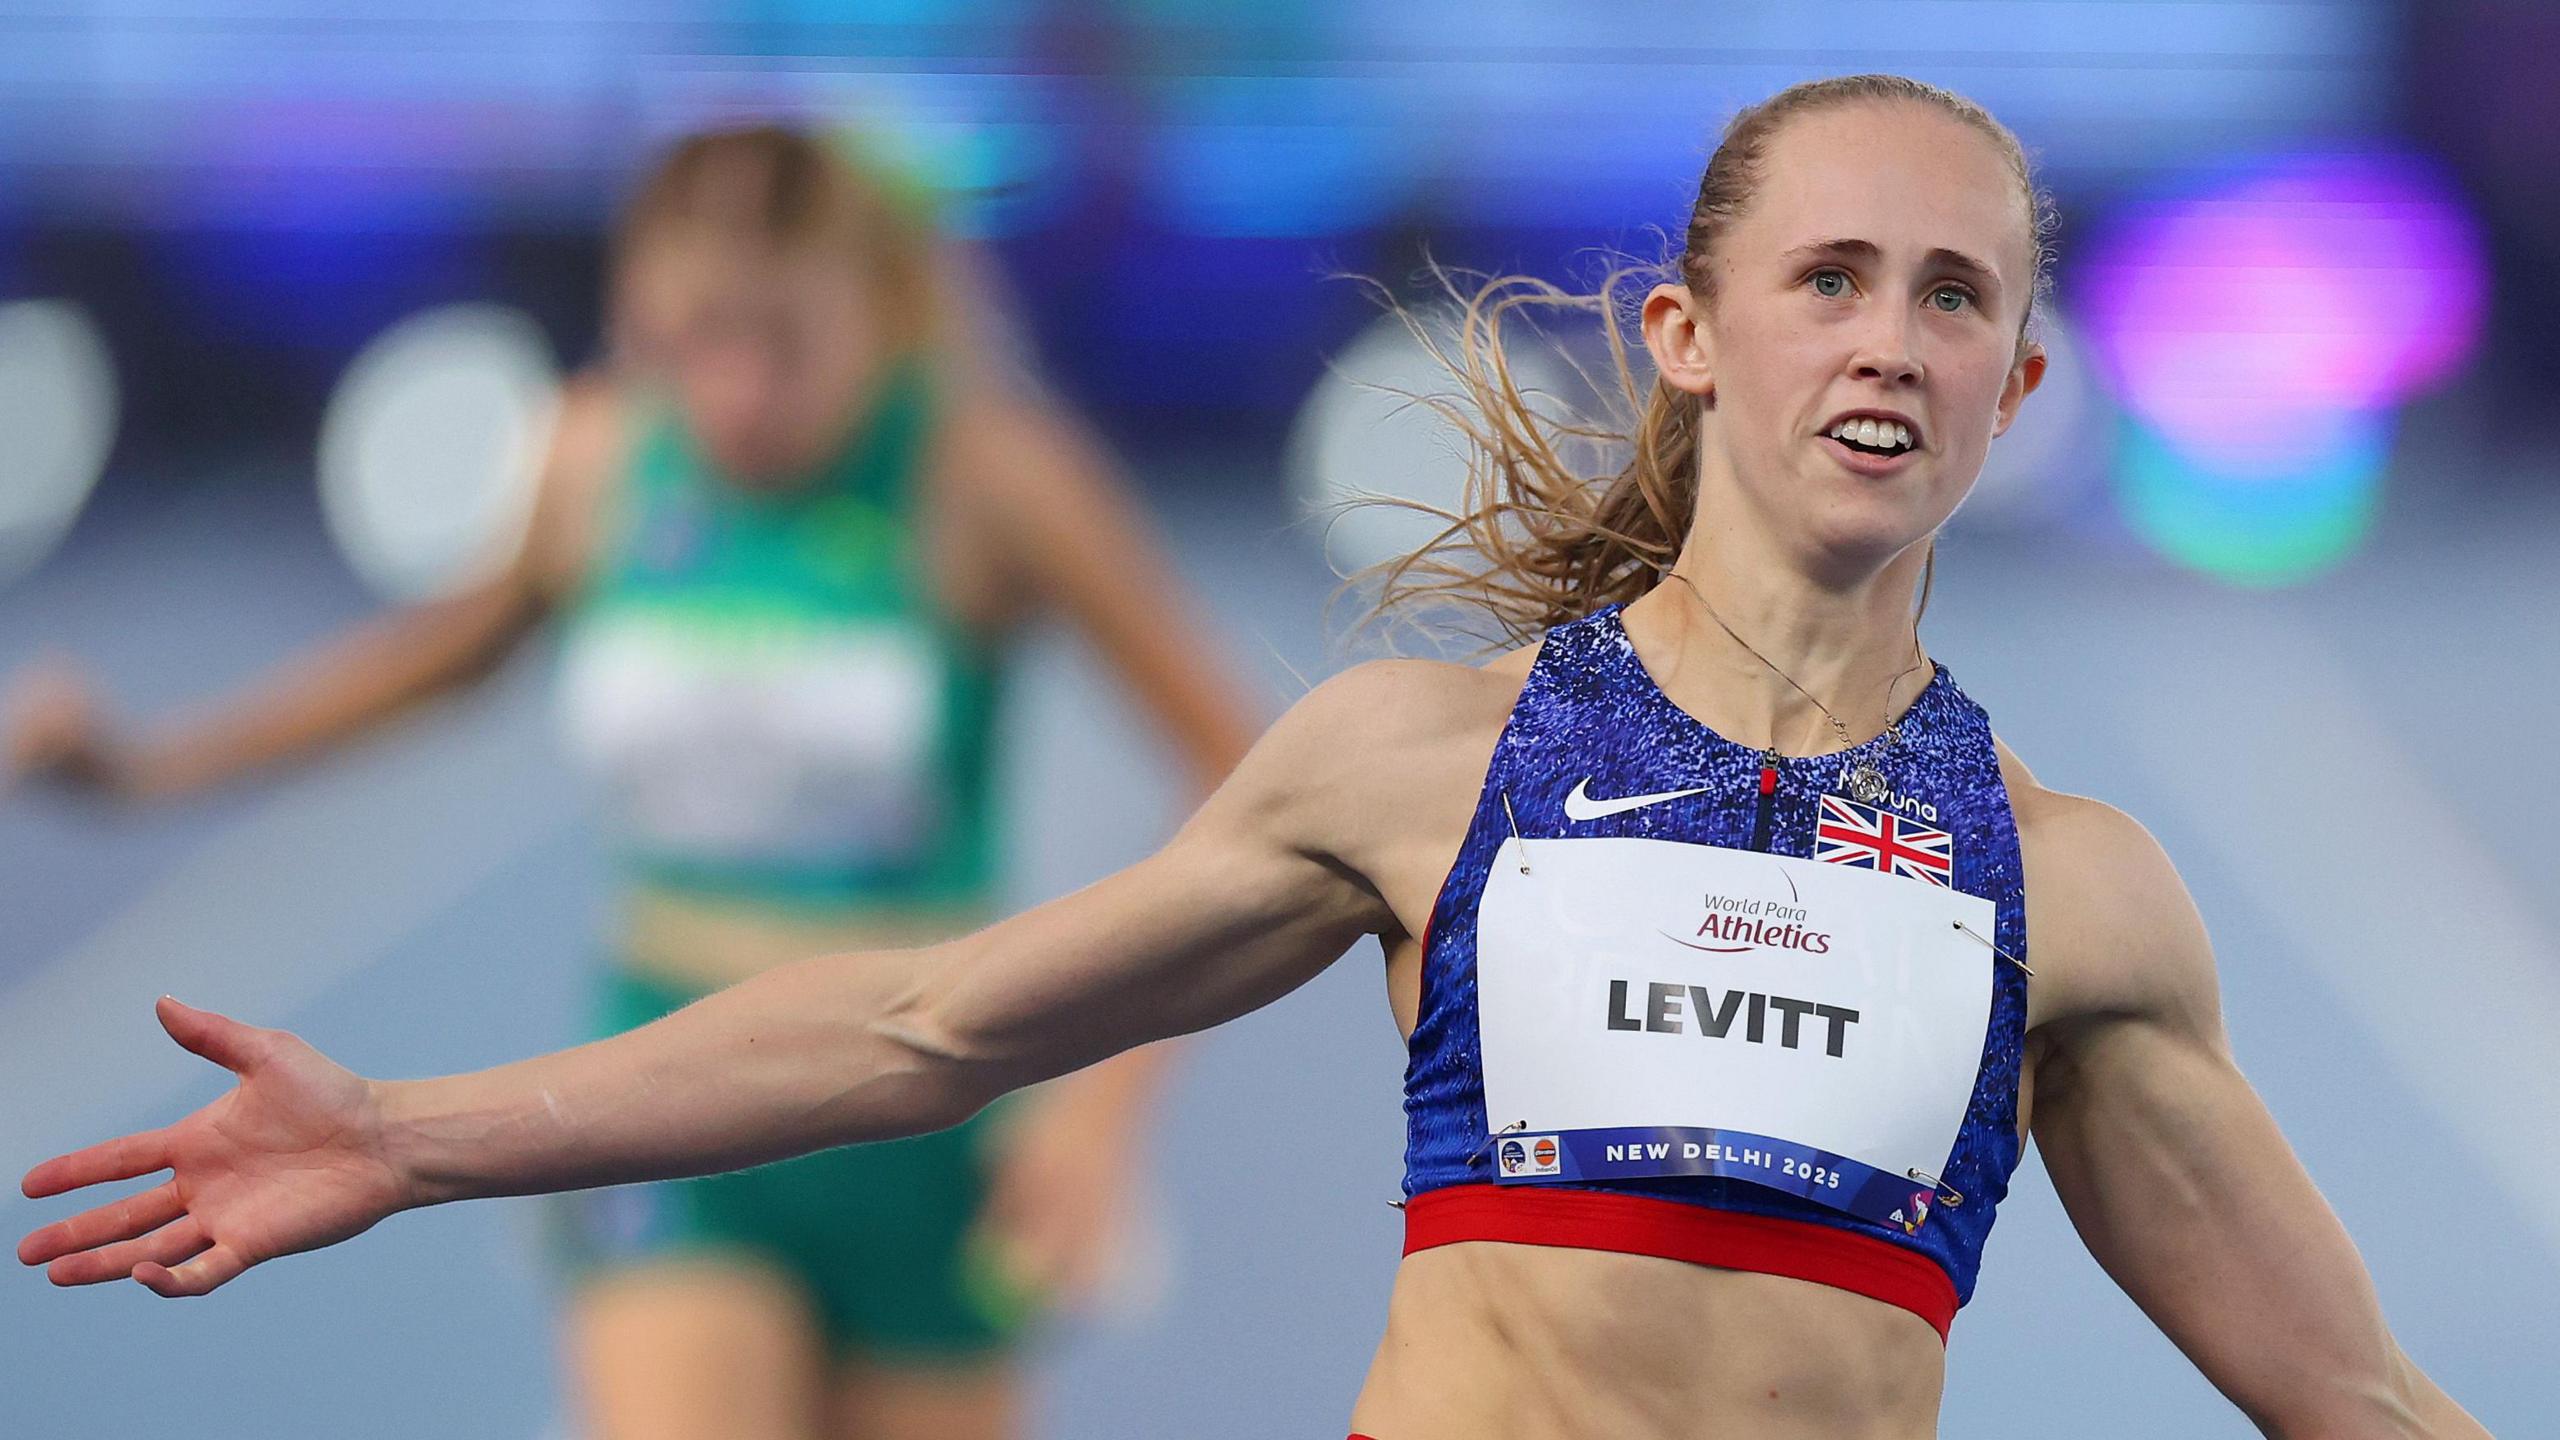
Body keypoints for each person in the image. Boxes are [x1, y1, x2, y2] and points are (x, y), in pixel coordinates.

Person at [17, 76, 2492, 1440]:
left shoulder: (2065, 897)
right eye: (1825, 275)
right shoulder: (1426, 771)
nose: (1891, 333)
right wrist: (407, 1133)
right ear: (1688, 338)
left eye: (1953, 293)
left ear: (2016, 388)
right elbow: (918, 1026)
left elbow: (2353, 1400)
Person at [6, 125, 1259, 1440]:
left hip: (930, 1119)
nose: (734, 391)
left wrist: (1105, 1106)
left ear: (881, 312)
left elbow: (1237, 769)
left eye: (782, 342)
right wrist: (144, 766)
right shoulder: (600, 457)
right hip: (658, 1100)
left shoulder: (983, 473)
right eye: (693, 338)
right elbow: (427, 663)